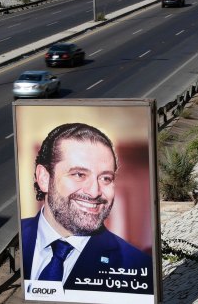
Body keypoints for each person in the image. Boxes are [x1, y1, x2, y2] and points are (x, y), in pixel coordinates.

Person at [20, 123, 154, 294]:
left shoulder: (137, 266)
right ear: (44, 178)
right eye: (79, 175)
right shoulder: (19, 243)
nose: (94, 192)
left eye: (105, 178)